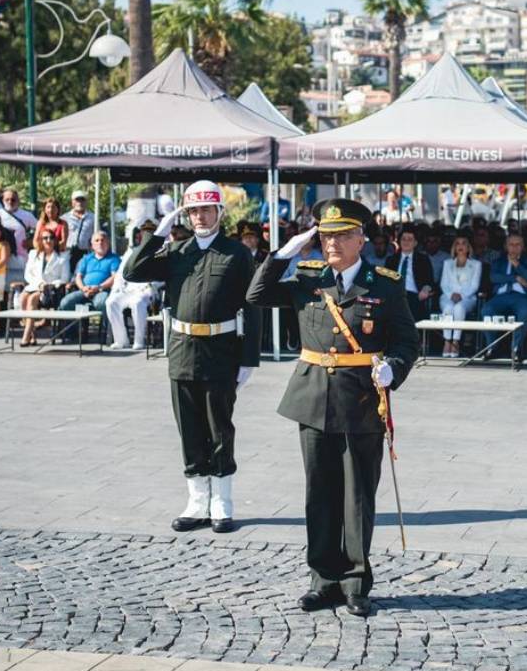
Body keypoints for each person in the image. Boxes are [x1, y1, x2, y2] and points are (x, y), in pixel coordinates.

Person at [245, 198, 418, 617]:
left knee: (358, 496)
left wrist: (393, 368)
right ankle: (323, 580)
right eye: (325, 236)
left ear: (361, 239)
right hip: (313, 400)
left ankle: (356, 581)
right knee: (319, 494)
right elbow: (256, 294)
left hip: (361, 399)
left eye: (341, 235)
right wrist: (286, 251)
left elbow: (407, 342)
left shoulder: (385, 284)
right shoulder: (307, 279)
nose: (331, 243)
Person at [123, 181, 261, 534]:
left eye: (206, 210)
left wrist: (249, 359)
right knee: (189, 428)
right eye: (194, 211)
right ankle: (197, 501)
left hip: (221, 350)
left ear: (220, 213)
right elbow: (132, 271)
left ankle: (221, 502)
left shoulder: (236, 254)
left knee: (219, 427)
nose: (200, 217)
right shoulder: (176, 252)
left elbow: (252, 305)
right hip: (183, 350)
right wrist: (159, 234)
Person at [482, 233, 527, 367]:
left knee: (525, 312)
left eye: (518, 245)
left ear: (523, 247)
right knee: (487, 310)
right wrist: (516, 278)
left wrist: (517, 265)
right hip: (501, 296)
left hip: (520, 296)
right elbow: (494, 277)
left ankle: (516, 349)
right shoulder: (498, 261)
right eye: (511, 244)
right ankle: (492, 347)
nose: (514, 248)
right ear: (506, 246)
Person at [105, 223, 156, 351]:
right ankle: (121, 340)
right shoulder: (131, 251)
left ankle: (139, 341)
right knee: (111, 302)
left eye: (149, 232)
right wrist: (115, 290)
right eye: (144, 232)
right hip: (128, 288)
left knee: (137, 303)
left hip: (145, 290)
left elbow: (162, 276)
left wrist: (152, 285)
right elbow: (120, 274)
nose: (145, 235)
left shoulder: (159, 249)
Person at [21, 231, 70, 346]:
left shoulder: (63, 257)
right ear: (41, 241)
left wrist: (49, 285)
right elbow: (27, 275)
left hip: (51, 290)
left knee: (32, 299)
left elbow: (65, 278)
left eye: (51, 238)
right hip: (35, 285)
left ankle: (26, 335)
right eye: (45, 238)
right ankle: (32, 335)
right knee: (23, 298)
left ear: (55, 240)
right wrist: (39, 284)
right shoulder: (33, 254)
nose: (48, 240)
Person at [439, 235, 481, 358]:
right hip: (448, 296)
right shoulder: (447, 263)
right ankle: (447, 340)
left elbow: (475, 285)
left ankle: (456, 341)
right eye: (458, 243)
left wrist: (461, 295)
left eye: (464, 243)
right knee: (448, 308)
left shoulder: (476, 264)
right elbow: (443, 283)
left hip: (467, 297)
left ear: (468, 248)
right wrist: (451, 294)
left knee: (459, 308)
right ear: (454, 247)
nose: (460, 246)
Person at [59, 232, 120, 313]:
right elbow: (78, 277)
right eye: (97, 241)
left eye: (102, 240)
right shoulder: (86, 259)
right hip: (84, 290)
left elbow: (115, 277)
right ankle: (75, 325)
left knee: (100, 303)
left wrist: (99, 287)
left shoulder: (114, 258)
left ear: (108, 243)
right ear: (92, 246)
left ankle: (102, 326)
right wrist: (83, 288)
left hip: (102, 290)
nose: (100, 243)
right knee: (65, 303)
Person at [386, 228, 434, 321]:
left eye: (410, 239)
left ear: (415, 243)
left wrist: (426, 289)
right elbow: (385, 281)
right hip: (395, 296)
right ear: (399, 241)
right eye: (403, 239)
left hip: (415, 297)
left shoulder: (423, 260)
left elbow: (430, 281)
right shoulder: (391, 260)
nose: (406, 242)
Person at [61, 190, 95, 271]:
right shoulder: (64, 218)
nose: (79, 202)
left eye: (82, 199)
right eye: (77, 200)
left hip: (85, 253)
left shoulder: (93, 218)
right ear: (72, 202)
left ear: (86, 202)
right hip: (68, 252)